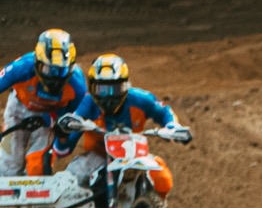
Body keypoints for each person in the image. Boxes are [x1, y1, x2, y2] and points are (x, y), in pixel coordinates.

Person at [61, 54, 193, 192]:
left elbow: (164, 111)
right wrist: (67, 126)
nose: (109, 97)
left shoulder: (140, 99)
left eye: (115, 89)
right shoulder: (88, 103)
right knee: (71, 180)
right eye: (102, 90)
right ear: (92, 88)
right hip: (98, 156)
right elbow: (74, 119)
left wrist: (172, 126)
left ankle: (151, 204)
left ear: (125, 86)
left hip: (134, 154)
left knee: (163, 180)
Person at [0, 29, 89, 176]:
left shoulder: (77, 85)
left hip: (49, 117)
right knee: (8, 168)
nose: (54, 76)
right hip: (19, 108)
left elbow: (79, 117)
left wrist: (59, 130)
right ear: (37, 63)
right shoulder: (22, 66)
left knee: (37, 168)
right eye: (48, 69)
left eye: (61, 70)